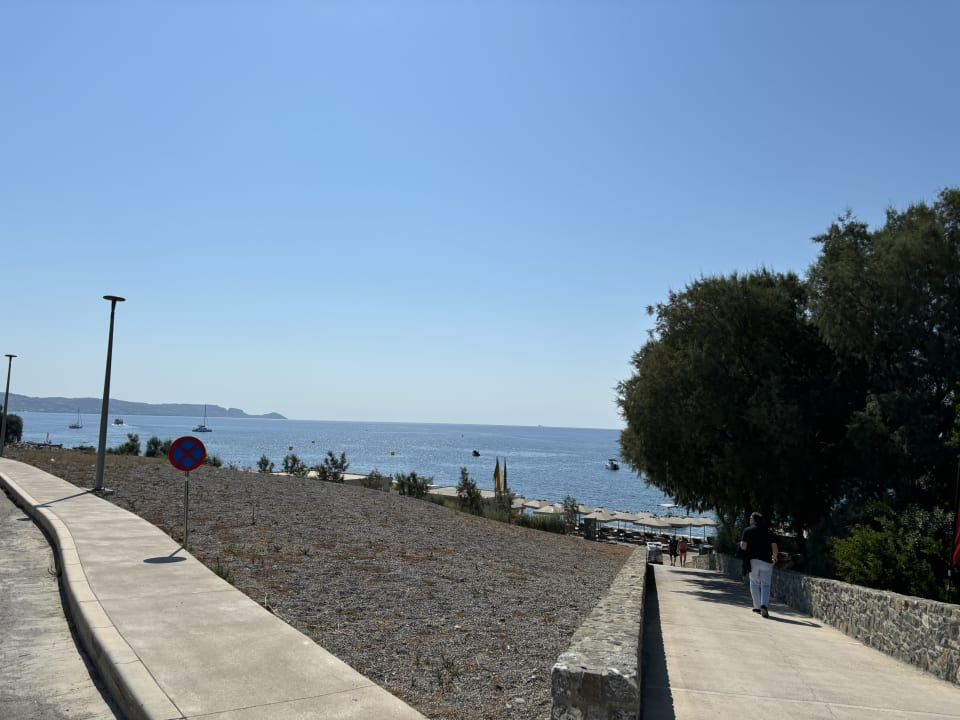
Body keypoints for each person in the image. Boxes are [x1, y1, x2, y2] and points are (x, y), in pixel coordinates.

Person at [739, 512, 779, 617]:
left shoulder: (747, 530)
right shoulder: (769, 532)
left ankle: (757, 607)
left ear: (754, 520)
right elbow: (774, 547)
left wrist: (740, 544)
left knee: (754, 583)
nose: (749, 520)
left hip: (753, 561)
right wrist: (775, 557)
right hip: (766, 562)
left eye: (750, 518)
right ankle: (764, 606)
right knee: (766, 585)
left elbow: (743, 546)